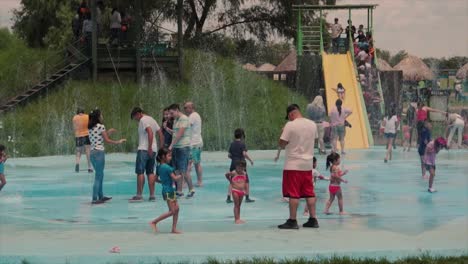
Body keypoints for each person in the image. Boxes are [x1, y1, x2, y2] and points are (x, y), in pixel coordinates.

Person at [278, 104, 319, 229]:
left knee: (293, 194)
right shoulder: (313, 124)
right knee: (309, 192)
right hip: (307, 165)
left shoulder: (290, 125)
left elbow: (282, 144)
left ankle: (292, 220)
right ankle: (313, 219)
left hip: (293, 165)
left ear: (291, 114)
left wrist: (282, 132)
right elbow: (315, 140)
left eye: (289, 117)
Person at [88, 109, 126, 204]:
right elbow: (107, 140)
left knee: (100, 174)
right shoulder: (101, 126)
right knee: (98, 176)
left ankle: (100, 196)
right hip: (99, 153)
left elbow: (100, 137)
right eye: (101, 115)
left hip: (92, 153)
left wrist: (108, 132)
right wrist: (118, 142)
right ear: (98, 117)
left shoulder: (90, 127)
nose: (102, 116)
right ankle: (94, 198)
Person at [130, 107, 164, 202]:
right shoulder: (151, 119)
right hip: (153, 150)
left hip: (144, 149)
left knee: (140, 172)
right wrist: (160, 149)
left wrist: (148, 147)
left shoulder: (143, 120)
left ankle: (139, 195)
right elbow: (160, 133)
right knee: (150, 172)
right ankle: (152, 195)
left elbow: (150, 132)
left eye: (135, 117)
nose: (136, 120)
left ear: (138, 114)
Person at [149, 148, 182, 234]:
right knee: (172, 211)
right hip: (169, 191)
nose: (170, 158)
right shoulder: (168, 168)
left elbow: (155, 179)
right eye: (169, 156)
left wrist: (163, 182)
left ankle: (174, 228)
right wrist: (181, 175)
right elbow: (175, 178)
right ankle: (154, 222)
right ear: (163, 157)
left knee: (177, 208)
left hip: (168, 190)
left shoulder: (159, 167)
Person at [168, 104, 194, 198]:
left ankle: (191, 189)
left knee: (184, 170)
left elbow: (180, 133)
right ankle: (179, 191)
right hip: (177, 147)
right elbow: (175, 133)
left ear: (177, 110)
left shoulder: (184, 118)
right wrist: (167, 129)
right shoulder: (176, 120)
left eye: (172, 113)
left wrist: (171, 146)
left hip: (183, 147)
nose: (171, 115)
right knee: (178, 171)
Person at [227, 128, 254, 203]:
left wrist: (234, 158)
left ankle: (228, 197)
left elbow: (229, 155)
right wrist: (250, 160)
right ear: (242, 136)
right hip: (241, 164)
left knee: (232, 180)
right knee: (246, 180)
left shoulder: (232, 144)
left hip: (233, 163)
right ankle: (247, 197)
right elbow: (244, 154)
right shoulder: (242, 144)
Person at [184, 102, 204, 187]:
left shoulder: (192, 116)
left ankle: (185, 182)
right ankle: (199, 181)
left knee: (189, 163)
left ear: (191, 108)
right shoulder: (196, 115)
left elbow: (186, 127)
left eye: (185, 108)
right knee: (196, 163)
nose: (184, 109)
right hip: (197, 142)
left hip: (194, 143)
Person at [225, 160, 248, 224]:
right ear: (236, 167)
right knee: (236, 205)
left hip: (242, 191)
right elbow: (226, 174)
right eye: (238, 167)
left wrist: (245, 190)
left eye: (242, 167)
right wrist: (230, 180)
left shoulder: (244, 173)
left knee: (239, 205)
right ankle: (236, 219)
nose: (240, 168)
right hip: (235, 190)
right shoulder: (234, 172)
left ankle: (238, 218)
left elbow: (245, 182)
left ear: (244, 167)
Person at [72, 108, 92, 173]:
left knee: (78, 151)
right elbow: (90, 125)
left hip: (78, 136)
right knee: (87, 151)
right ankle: (89, 167)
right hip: (86, 134)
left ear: (77, 112)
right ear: (83, 112)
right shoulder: (87, 116)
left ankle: (77, 163)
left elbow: (74, 128)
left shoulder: (74, 118)